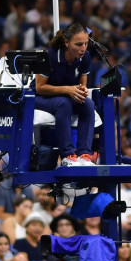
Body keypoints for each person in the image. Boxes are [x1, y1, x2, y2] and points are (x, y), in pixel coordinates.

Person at [33, 23, 95, 167]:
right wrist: (68, 90)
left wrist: (82, 91)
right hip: (41, 97)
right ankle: (68, 155)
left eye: (86, 43)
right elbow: (39, 87)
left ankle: (84, 154)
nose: (83, 48)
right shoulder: (49, 56)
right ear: (66, 43)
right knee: (63, 103)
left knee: (88, 104)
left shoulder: (85, 57)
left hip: (66, 95)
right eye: (79, 44)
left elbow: (82, 85)